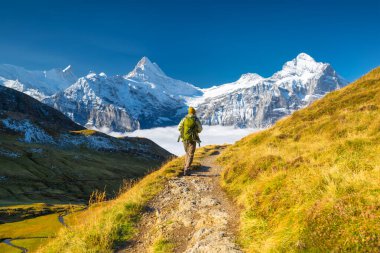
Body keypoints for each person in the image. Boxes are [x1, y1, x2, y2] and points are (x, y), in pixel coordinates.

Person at [178, 107, 202, 176]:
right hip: (193, 139)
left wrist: (184, 132)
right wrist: (196, 131)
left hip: (184, 139)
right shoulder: (196, 119)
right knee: (191, 154)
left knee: (187, 153)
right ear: (194, 112)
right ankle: (187, 169)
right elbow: (200, 129)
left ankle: (185, 166)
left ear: (188, 112)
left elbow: (179, 127)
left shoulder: (184, 119)